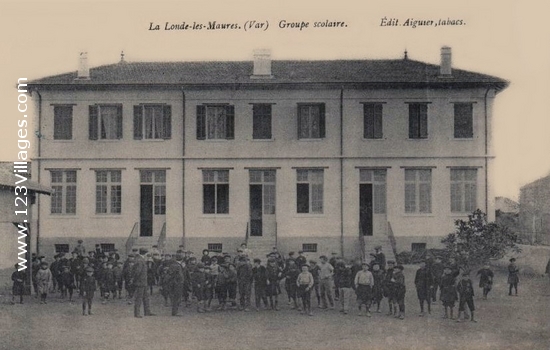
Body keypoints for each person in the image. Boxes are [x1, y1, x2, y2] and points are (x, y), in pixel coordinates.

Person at [131, 248, 155, 318]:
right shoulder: (140, 260)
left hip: (143, 282)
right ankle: (137, 313)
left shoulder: (140, 260)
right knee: (139, 298)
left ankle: (147, 312)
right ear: (145, 254)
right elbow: (137, 272)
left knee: (146, 298)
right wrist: (135, 280)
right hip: (140, 282)